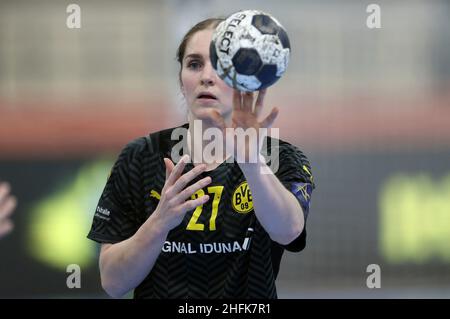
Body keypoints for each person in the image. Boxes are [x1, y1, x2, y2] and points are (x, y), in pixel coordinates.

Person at [87, 17, 315, 299]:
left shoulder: (280, 157)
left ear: (244, 80)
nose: (206, 76)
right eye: (194, 64)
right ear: (182, 82)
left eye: (219, 65)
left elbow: (289, 231)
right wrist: (159, 222)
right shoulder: (141, 157)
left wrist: (251, 162)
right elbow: (112, 282)